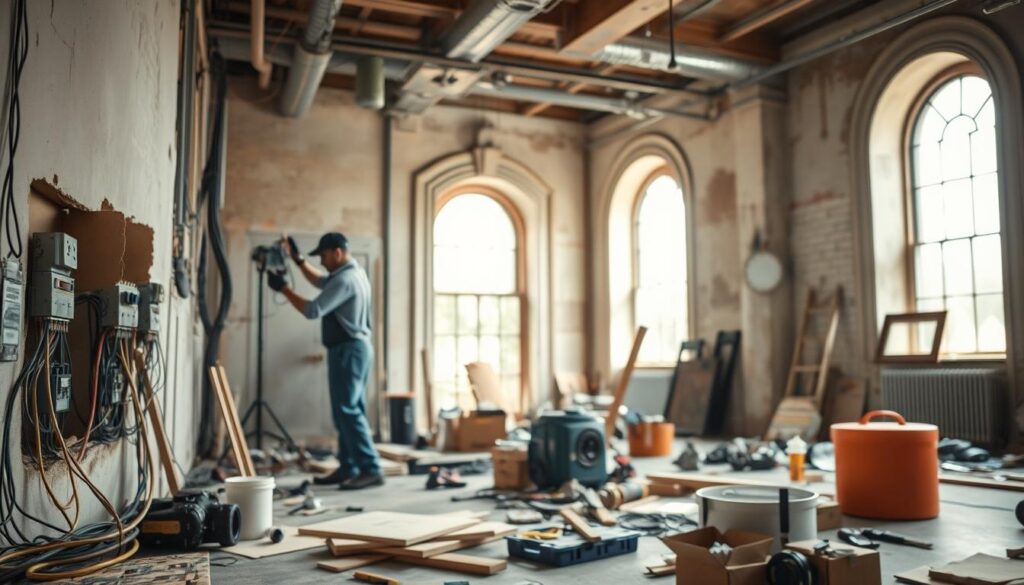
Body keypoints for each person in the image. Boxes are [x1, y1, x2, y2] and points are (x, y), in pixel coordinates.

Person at [271, 232, 384, 490]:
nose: (321, 261)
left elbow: (313, 310)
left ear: (337, 252)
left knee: (348, 411)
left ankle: (371, 468)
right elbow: (321, 281)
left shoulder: (345, 280)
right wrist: (298, 261)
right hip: (353, 349)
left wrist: (284, 289)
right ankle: (349, 467)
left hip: (349, 350)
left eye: (323, 256)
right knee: (346, 411)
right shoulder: (351, 274)